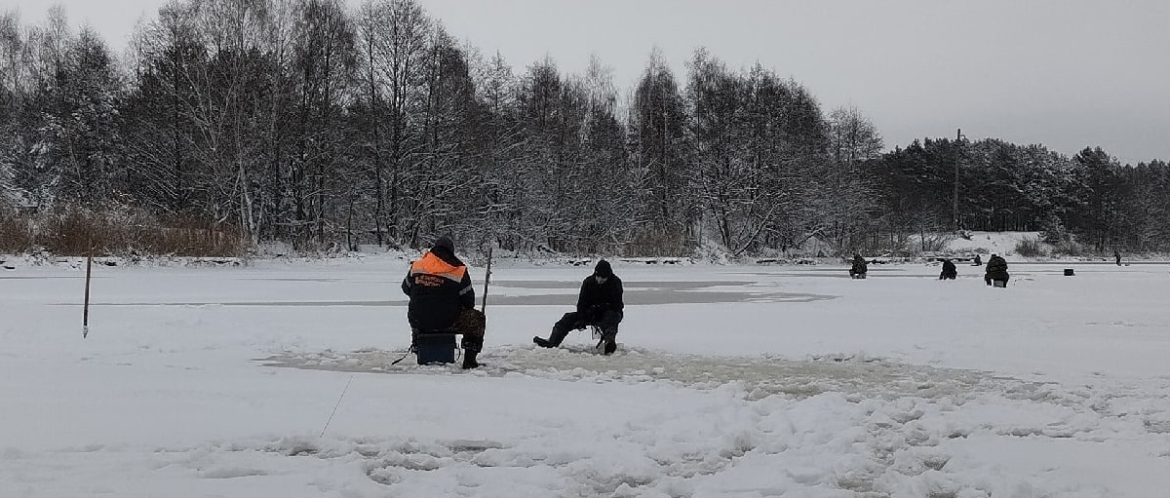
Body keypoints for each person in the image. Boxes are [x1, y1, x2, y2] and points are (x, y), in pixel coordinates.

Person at [401, 236, 484, 369]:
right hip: (448, 322)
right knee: (477, 319)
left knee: (419, 310)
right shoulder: (459, 270)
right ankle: (470, 361)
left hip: (419, 322)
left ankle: (418, 344)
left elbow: (406, 289)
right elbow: (469, 302)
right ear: (451, 251)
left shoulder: (417, 266)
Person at [533, 260, 624, 354]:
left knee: (611, 318)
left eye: (603, 278)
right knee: (567, 318)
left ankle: (609, 343)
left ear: (608, 277)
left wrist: (600, 308)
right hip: (590, 313)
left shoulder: (615, 282)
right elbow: (581, 303)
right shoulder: (588, 282)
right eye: (598, 277)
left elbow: (618, 305)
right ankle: (552, 343)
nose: (600, 280)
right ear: (595, 274)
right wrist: (582, 318)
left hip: (610, 313)